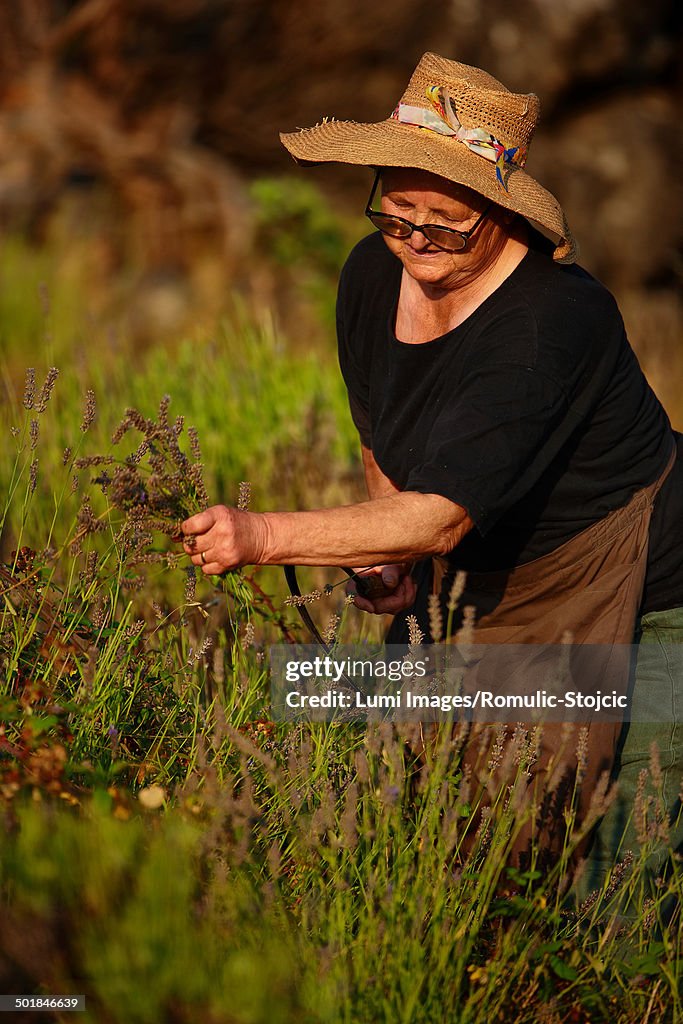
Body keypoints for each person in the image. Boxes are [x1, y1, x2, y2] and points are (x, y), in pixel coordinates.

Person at [181, 53, 683, 895]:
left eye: (443, 221)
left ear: (497, 213)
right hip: (484, 577)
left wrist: (263, 535)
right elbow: (386, 440)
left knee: (622, 856)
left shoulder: (550, 323)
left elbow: (443, 516)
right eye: (394, 209)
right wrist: (391, 557)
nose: (414, 237)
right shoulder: (372, 275)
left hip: (647, 588)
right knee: (410, 784)